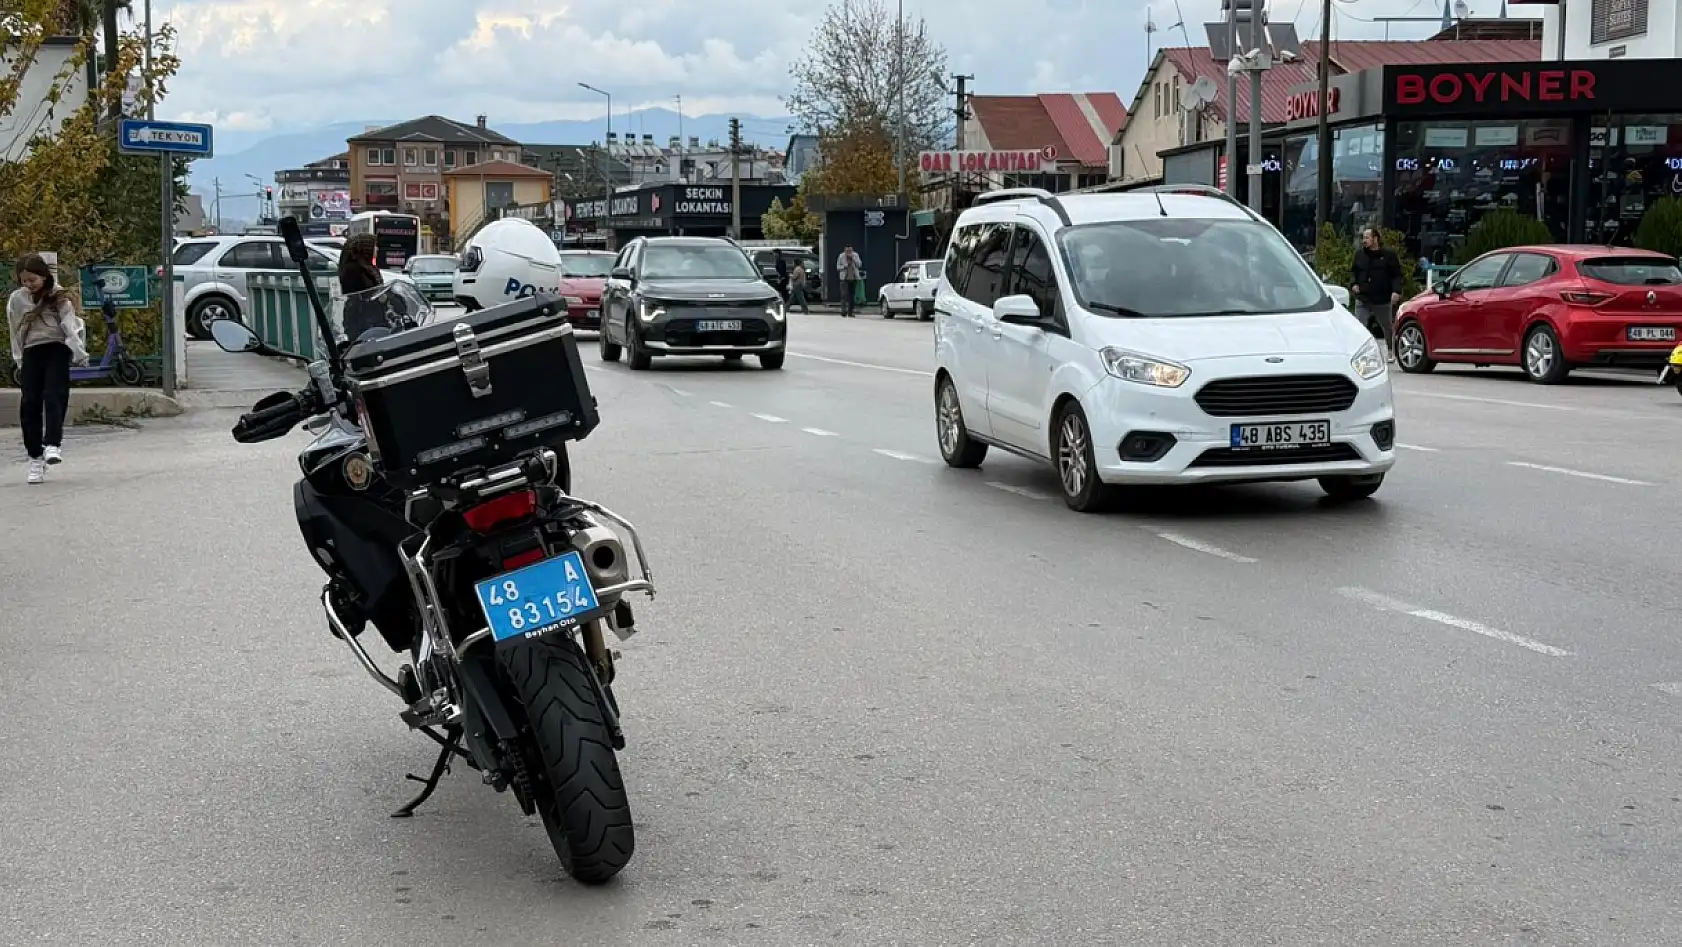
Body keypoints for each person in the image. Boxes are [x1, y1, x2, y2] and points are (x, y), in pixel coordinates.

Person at [8, 254, 88, 484]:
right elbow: (14, 329)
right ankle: (35, 456)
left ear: (44, 276)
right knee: (29, 404)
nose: (28, 285)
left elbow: (70, 326)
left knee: (54, 395)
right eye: (24, 281)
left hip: (57, 348)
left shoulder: (59, 297)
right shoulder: (17, 299)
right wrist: (19, 359)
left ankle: (53, 444)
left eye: (32, 280)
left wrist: (79, 353)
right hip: (32, 351)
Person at [1351, 228, 1403, 360]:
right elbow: (1354, 272)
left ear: (1375, 239)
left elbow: (1396, 275)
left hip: (1381, 298)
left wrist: (1396, 291)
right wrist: (1353, 284)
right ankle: (1360, 353)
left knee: (1386, 326)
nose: (1364, 241)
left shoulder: (1388, 255)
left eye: (1367, 238)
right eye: (1363, 237)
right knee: (1360, 327)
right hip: (1363, 297)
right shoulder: (1359, 255)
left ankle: (1390, 350)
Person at [337, 233, 386, 342]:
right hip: (361, 320)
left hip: (374, 318)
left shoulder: (370, 268)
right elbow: (358, 294)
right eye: (375, 246)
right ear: (366, 248)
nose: (377, 249)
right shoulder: (353, 269)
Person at [837, 244, 862, 318]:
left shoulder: (855, 255)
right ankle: (843, 311)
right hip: (844, 278)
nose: (849, 252)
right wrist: (845, 265)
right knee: (844, 295)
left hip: (853, 278)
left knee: (852, 295)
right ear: (844, 250)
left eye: (850, 251)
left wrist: (853, 259)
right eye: (847, 251)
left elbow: (859, 265)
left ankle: (850, 311)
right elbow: (838, 267)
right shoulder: (841, 256)